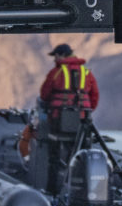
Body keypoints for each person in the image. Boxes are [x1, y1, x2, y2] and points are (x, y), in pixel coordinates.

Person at [33, 43, 100, 191]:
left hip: (58, 121)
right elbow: (94, 95)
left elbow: (45, 94)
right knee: (82, 156)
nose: (54, 59)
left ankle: (52, 190)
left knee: (54, 158)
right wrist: (85, 113)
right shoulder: (86, 72)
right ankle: (84, 189)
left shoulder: (56, 73)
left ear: (61, 55)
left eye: (55, 56)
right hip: (82, 122)